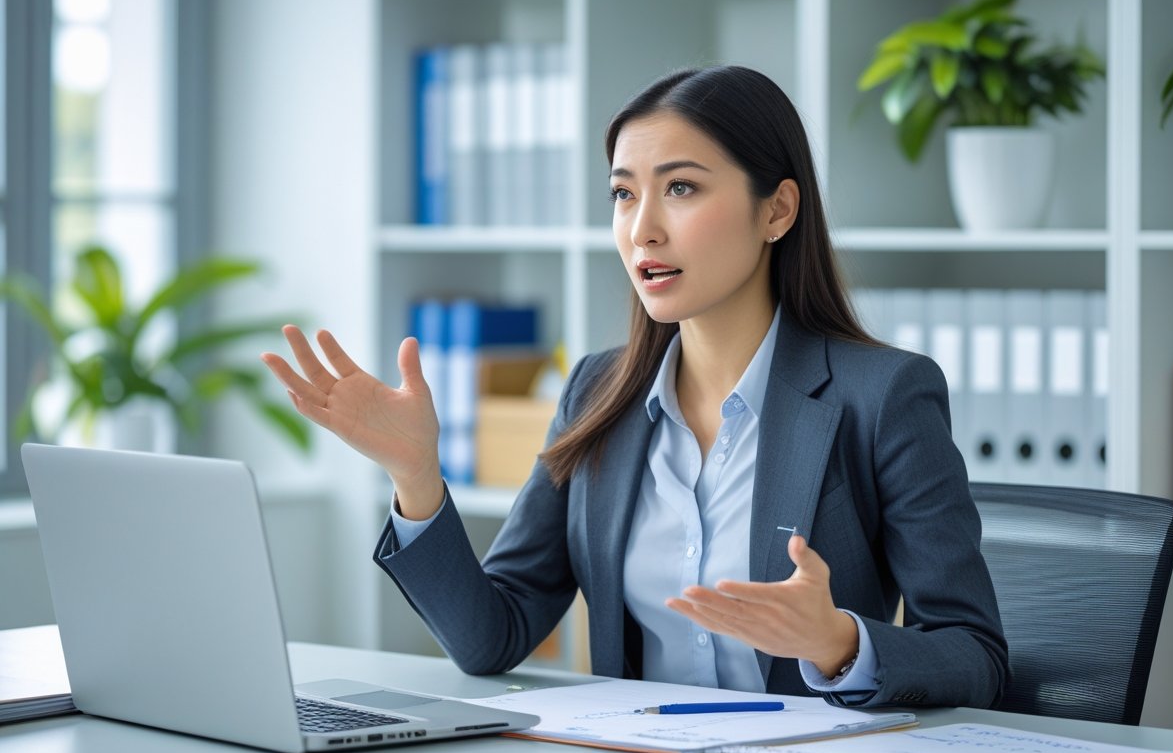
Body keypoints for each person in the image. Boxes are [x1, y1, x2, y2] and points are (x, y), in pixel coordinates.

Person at [262, 65, 1010, 709]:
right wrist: (417, 477)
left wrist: (841, 643)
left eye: (680, 188)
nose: (642, 229)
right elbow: (493, 637)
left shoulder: (883, 395)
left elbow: (976, 654)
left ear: (777, 210)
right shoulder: (597, 393)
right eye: (624, 194)